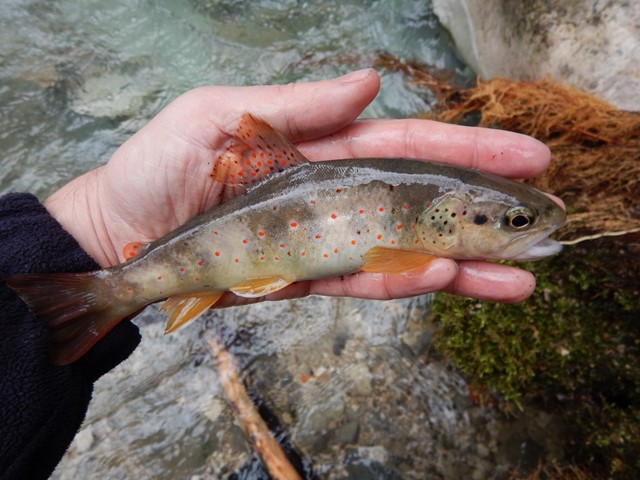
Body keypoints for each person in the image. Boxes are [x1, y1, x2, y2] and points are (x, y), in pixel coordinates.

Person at [0, 69, 555, 479]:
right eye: (516, 221)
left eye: (516, 220)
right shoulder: (423, 235)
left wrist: (91, 233)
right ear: (452, 220)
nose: (520, 228)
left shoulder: (428, 225)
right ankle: (107, 294)